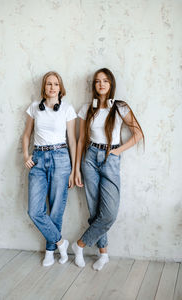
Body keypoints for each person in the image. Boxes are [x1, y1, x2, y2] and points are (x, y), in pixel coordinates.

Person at [73, 68, 144, 271]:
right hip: (89, 159)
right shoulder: (87, 108)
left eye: (105, 81)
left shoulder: (120, 107)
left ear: (111, 84)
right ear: (94, 86)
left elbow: (138, 134)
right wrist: (76, 169)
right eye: (97, 81)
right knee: (95, 210)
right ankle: (103, 254)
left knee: (109, 213)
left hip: (110, 158)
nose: (101, 84)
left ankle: (79, 245)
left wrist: (116, 151)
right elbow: (80, 141)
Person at [22, 71, 76, 267]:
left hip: (61, 158)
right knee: (35, 211)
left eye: (56, 84)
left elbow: (72, 140)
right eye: (48, 84)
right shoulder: (34, 108)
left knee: (56, 210)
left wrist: (74, 169)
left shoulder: (67, 109)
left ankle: (50, 251)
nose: (52, 87)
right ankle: (61, 242)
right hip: (38, 158)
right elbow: (26, 135)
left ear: (60, 88)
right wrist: (26, 156)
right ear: (43, 87)